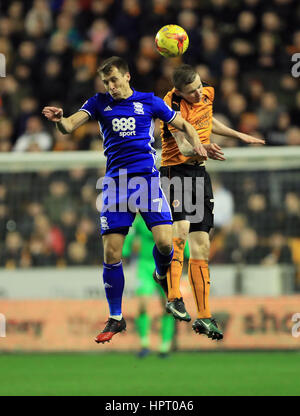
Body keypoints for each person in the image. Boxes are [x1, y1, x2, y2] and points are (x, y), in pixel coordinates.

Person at [42, 56, 208, 344]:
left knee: (167, 243)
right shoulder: (98, 103)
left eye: (114, 80)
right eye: (106, 82)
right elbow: (69, 126)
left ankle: (160, 273)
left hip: (146, 181)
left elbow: (185, 124)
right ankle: (116, 317)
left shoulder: (150, 102)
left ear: (127, 76)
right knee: (111, 254)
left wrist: (197, 145)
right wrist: (59, 121)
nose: (111, 86)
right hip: (116, 187)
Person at [156, 64, 265, 340]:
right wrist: (202, 147)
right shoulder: (170, 104)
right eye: (191, 92)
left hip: (198, 173)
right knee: (180, 230)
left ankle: (204, 316)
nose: (198, 93)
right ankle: (172, 295)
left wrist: (237, 135)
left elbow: (208, 121)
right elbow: (181, 145)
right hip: (175, 171)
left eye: (199, 87)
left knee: (202, 243)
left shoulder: (207, 94)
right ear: (179, 91)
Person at [122, 214, 177, 358]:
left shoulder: (169, 218)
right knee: (143, 305)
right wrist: (125, 252)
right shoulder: (141, 221)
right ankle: (144, 344)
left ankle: (164, 346)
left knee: (167, 306)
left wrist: (187, 254)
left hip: (165, 265)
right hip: (145, 266)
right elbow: (130, 235)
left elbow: (179, 235)